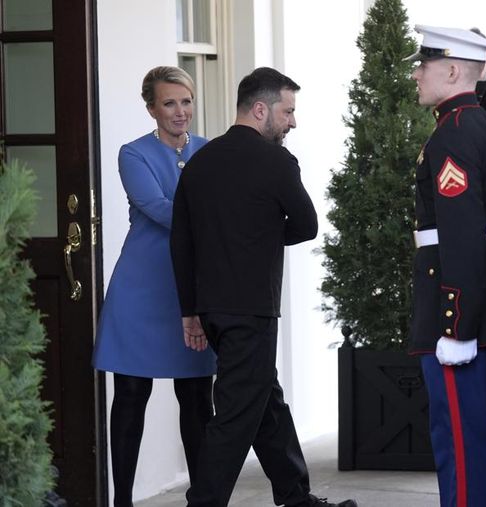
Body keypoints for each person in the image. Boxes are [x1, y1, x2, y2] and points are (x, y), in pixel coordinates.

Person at [170, 67, 356, 507]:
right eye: (288, 111)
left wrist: (189, 311)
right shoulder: (276, 161)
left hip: (213, 309)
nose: (293, 121)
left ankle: (295, 495)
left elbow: (182, 242)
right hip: (252, 308)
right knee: (236, 413)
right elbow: (307, 225)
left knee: (263, 400)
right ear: (261, 109)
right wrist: (263, 236)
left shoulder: (199, 163)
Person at [406, 25, 486, 507]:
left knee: (459, 440)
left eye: (424, 65)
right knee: (470, 439)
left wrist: (457, 326)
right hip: (480, 302)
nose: (415, 74)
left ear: (452, 70)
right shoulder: (476, 124)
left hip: (456, 313)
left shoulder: (452, 136)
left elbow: (463, 237)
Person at [92, 66, 215, 507]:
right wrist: (216, 220)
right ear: (151, 108)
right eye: (169, 103)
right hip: (143, 289)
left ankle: (203, 497)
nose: (180, 111)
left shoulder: (210, 151)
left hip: (194, 288)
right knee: (130, 394)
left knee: (198, 394)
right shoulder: (134, 154)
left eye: (186, 101)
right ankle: (121, 500)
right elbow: (158, 208)